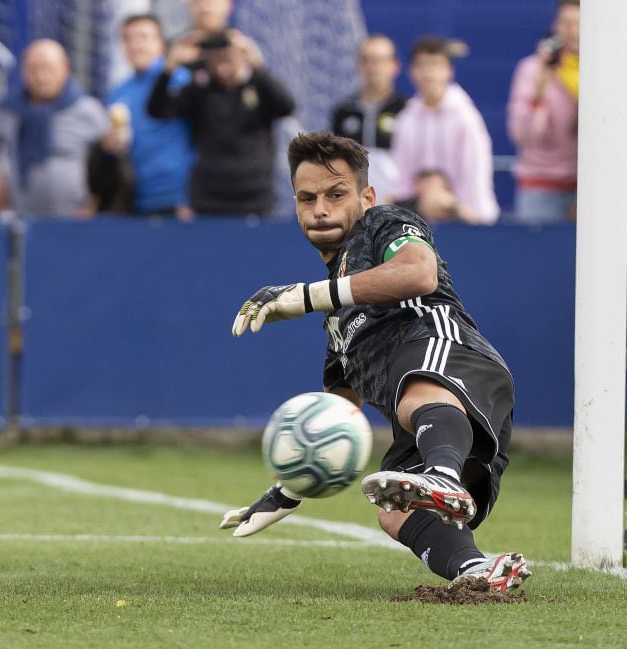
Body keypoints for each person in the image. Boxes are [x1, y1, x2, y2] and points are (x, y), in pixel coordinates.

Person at [223, 132, 530, 593]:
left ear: (366, 196)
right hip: (437, 423)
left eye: (336, 194)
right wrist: (287, 491)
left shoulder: (384, 224)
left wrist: (307, 296)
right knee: (394, 510)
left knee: (413, 389)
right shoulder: (337, 324)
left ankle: (442, 476)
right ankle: (476, 570)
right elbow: (335, 422)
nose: (320, 209)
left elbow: (419, 272)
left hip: (455, 361)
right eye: (307, 199)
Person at [148, 29, 294, 216]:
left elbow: (287, 106)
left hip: (254, 195)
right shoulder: (199, 90)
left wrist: (257, 65)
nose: (222, 64)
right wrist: (169, 68)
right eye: (215, 58)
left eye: (227, 56)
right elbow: (157, 110)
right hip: (209, 197)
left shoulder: (259, 86)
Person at [0, 39, 110, 217]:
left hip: (75, 224)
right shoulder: (6, 111)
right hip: (20, 223)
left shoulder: (89, 111)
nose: (41, 77)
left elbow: (108, 165)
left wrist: (94, 205)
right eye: (34, 69)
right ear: (23, 71)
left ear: (65, 69)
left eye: (48, 69)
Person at [94, 14, 194, 218]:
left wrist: (190, 198)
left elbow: (202, 137)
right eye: (128, 39)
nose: (135, 45)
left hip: (177, 201)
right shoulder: (118, 93)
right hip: (134, 201)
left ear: (160, 44)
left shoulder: (181, 80)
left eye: (143, 37)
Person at [391, 36, 499, 224]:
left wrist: (469, 214)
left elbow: (475, 174)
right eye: (422, 65)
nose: (429, 73)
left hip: (465, 219)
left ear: (449, 71)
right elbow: (402, 176)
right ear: (412, 72)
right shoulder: (405, 120)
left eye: (436, 65)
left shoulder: (466, 117)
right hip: (416, 221)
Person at [506, 0, 579, 224]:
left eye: (581, 24)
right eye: (567, 23)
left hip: (589, 189)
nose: (575, 31)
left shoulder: (601, 71)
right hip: (540, 188)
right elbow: (523, 136)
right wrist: (539, 91)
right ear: (556, 27)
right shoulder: (532, 70)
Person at [331, 35, 407, 203]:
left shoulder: (407, 110)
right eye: (367, 60)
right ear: (359, 65)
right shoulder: (344, 111)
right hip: (354, 205)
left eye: (380, 60)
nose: (373, 68)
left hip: (396, 205)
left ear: (395, 66)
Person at [394, 169, 479, 223]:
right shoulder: (397, 207)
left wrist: (453, 205)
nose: (432, 192)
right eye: (427, 185)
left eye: (438, 187)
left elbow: (477, 222)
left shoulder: (457, 212)